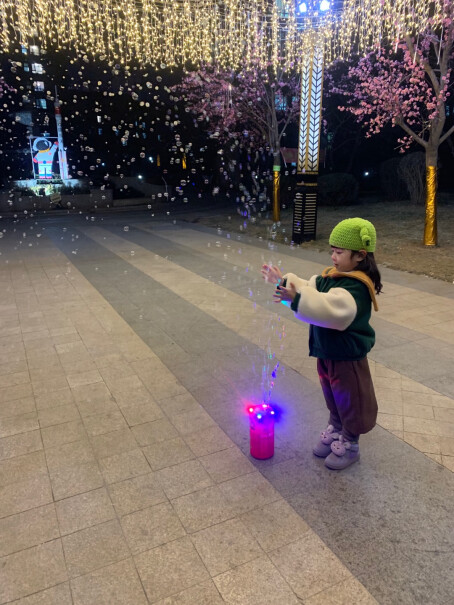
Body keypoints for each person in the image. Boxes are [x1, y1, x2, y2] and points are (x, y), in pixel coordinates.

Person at [261, 218, 382, 470]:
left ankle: (350, 443)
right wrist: (283, 281)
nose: (333, 256)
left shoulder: (356, 288)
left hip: (347, 358)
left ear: (360, 256)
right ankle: (336, 428)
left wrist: (296, 300)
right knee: (332, 395)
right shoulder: (333, 277)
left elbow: (328, 309)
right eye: (332, 251)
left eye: (339, 252)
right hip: (327, 353)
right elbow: (310, 289)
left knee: (352, 399)